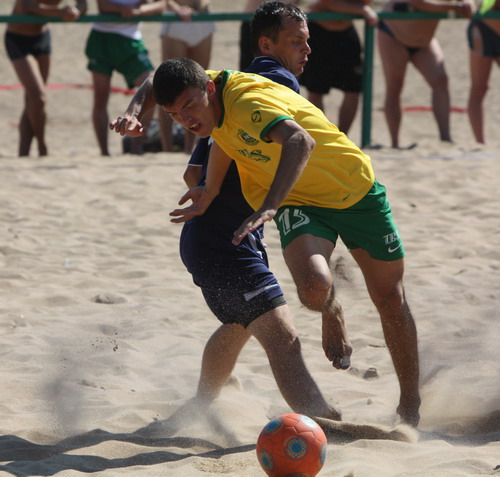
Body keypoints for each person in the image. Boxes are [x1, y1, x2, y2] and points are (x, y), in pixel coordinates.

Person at [151, 56, 422, 427]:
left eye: (189, 107)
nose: (186, 119)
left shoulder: (246, 102)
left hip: (355, 190)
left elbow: (300, 140)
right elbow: (220, 135)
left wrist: (269, 205)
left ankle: (410, 405)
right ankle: (331, 309)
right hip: (301, 201)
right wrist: (209, 189)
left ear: (209, 89)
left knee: (390, 298)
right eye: (174, 115)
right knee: (311, 288)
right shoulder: (205, 91)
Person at [110, 2, 340, 422]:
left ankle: (200, 406)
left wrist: (134, 110)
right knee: (283, 339)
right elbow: (198, 161)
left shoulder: (230, 93)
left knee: (239, 325)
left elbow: (165, 81)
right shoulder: (268, 84)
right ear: (267, 45)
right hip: (221, 240)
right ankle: (327, 422)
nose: (307, 50)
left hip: (217, 238)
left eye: (306, 41)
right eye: (297, 42)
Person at [377, 0, 474, 148]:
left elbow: (466, 3)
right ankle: (395, 143)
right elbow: (421, 3)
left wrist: (467, 4)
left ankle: (446, 138)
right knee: (394, 86)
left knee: (440, 80)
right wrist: (454, 7)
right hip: (393, 34)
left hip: (424, 42)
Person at [4, 0, 87, 157]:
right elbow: (28, 5)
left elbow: (83, 5)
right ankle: (42, 146)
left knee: (33, 99)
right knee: (38, 97)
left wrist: (75, 10)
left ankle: (24, 153)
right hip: (18, 38)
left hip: (42, 36)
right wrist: (61, 12)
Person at [85, 0, 168, 156]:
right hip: (102, 38)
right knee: (100, 97)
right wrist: (124, 9)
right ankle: (104, 152)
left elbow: (161, 4)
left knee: (152, 88)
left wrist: (140, 10)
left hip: (129, 42)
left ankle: (136, 147)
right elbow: (103, 6)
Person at [299, 0, 378, 134]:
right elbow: (328, 2)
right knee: (316, 90)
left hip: (346, 35)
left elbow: (365, 2)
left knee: (353, 90)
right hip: (319, 34)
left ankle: (342, 137)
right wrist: (361, 10)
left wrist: (354, 7)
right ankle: (322, 137)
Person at [158, 0, 215, 153]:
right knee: (168, 85)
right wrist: (176, 7)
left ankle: (191, 148)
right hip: (176, 18)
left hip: (201, 17)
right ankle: (167, 149)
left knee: (198, 85)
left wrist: (203, 4)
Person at [467, 0, 500, 144]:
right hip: (484, 28)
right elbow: (485, 7)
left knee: (479, 88)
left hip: (489, 23)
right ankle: (480, 143)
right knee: (479, 87)